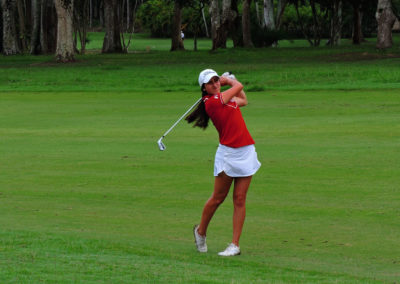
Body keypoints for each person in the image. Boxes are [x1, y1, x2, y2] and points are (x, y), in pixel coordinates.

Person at [186, 69, 261, 256]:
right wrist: (230, 81)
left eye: (216, 80)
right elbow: (239, 87)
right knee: (218, 198)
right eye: (210, 82)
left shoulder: (224, 99)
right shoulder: (211, 102)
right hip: (228, 155)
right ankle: (200, 231)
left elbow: (243, 99)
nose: (215, 84)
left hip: (246, 151)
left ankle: (235, 245)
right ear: (204, 87)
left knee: (240, 199)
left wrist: (230, 83)